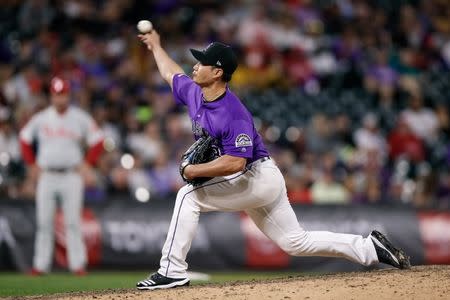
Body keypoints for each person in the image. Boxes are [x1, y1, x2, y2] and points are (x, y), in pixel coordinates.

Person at [136, 30, 410, 290]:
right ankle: (369, 248)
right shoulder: (195, 93)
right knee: (296, 242)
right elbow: (171, 73)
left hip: (255, 176)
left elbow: (236, 163)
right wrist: (156, 46)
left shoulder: (233, 113)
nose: (195, 66)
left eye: (202, 62)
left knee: (187, 195)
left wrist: (195, 169)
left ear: (217, 72)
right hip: (258, 179)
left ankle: (171, 271)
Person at [20, 76, 104, 275]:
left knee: (73, 222)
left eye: (64, 94)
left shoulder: (79, 117)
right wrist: (31, 165)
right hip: (47, 175)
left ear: (69, 95)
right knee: (44, 222)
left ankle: (77, 265)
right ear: (51, 96)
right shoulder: (41, 118)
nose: (60, 99)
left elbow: (98, 140)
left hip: (71, 175)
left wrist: (87, 164)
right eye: (57, 95)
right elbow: (24, 139)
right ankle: (40, 265)